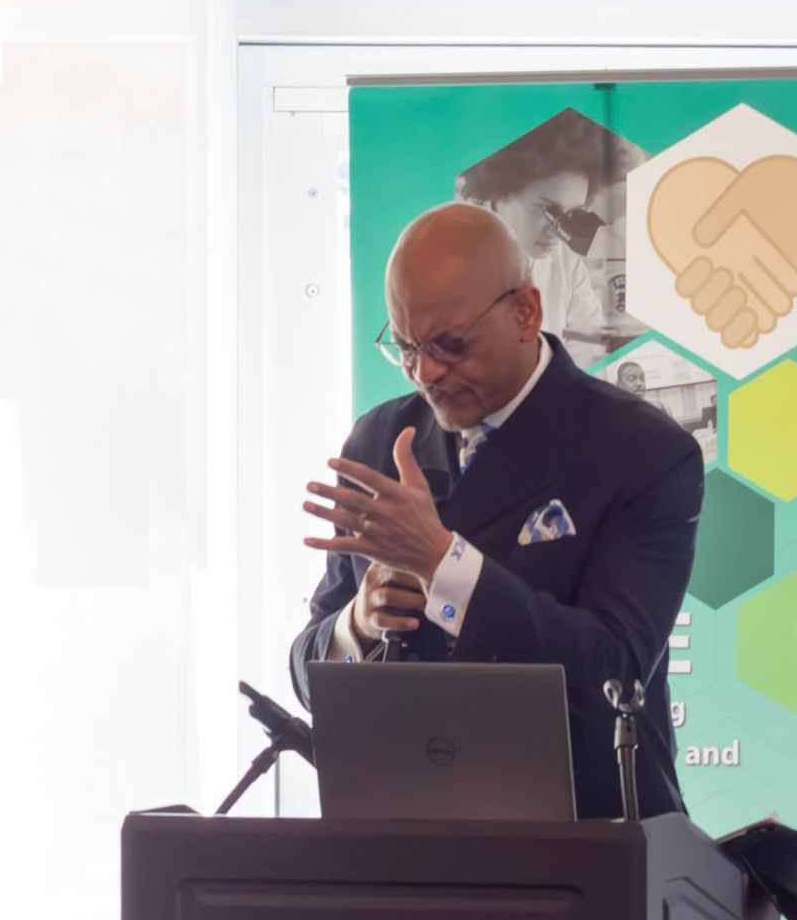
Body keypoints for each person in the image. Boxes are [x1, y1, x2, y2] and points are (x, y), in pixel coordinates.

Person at [289, 202, 703, 820]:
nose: (426, 372)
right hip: (403, 837)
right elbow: (308, 666)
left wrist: (443, 565)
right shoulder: (378, 441)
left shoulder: (641, 450)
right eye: (405, 347)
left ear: (526, 313)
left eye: (449, 345)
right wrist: (359, 624)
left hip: (587, 840)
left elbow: (613, 674)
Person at [456, 115, 616, 367]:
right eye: (546, 209)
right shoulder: (453, 259)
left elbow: (590, 348)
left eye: (572, 213)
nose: (558, 232)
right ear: (497, 194)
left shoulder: (566, 261)